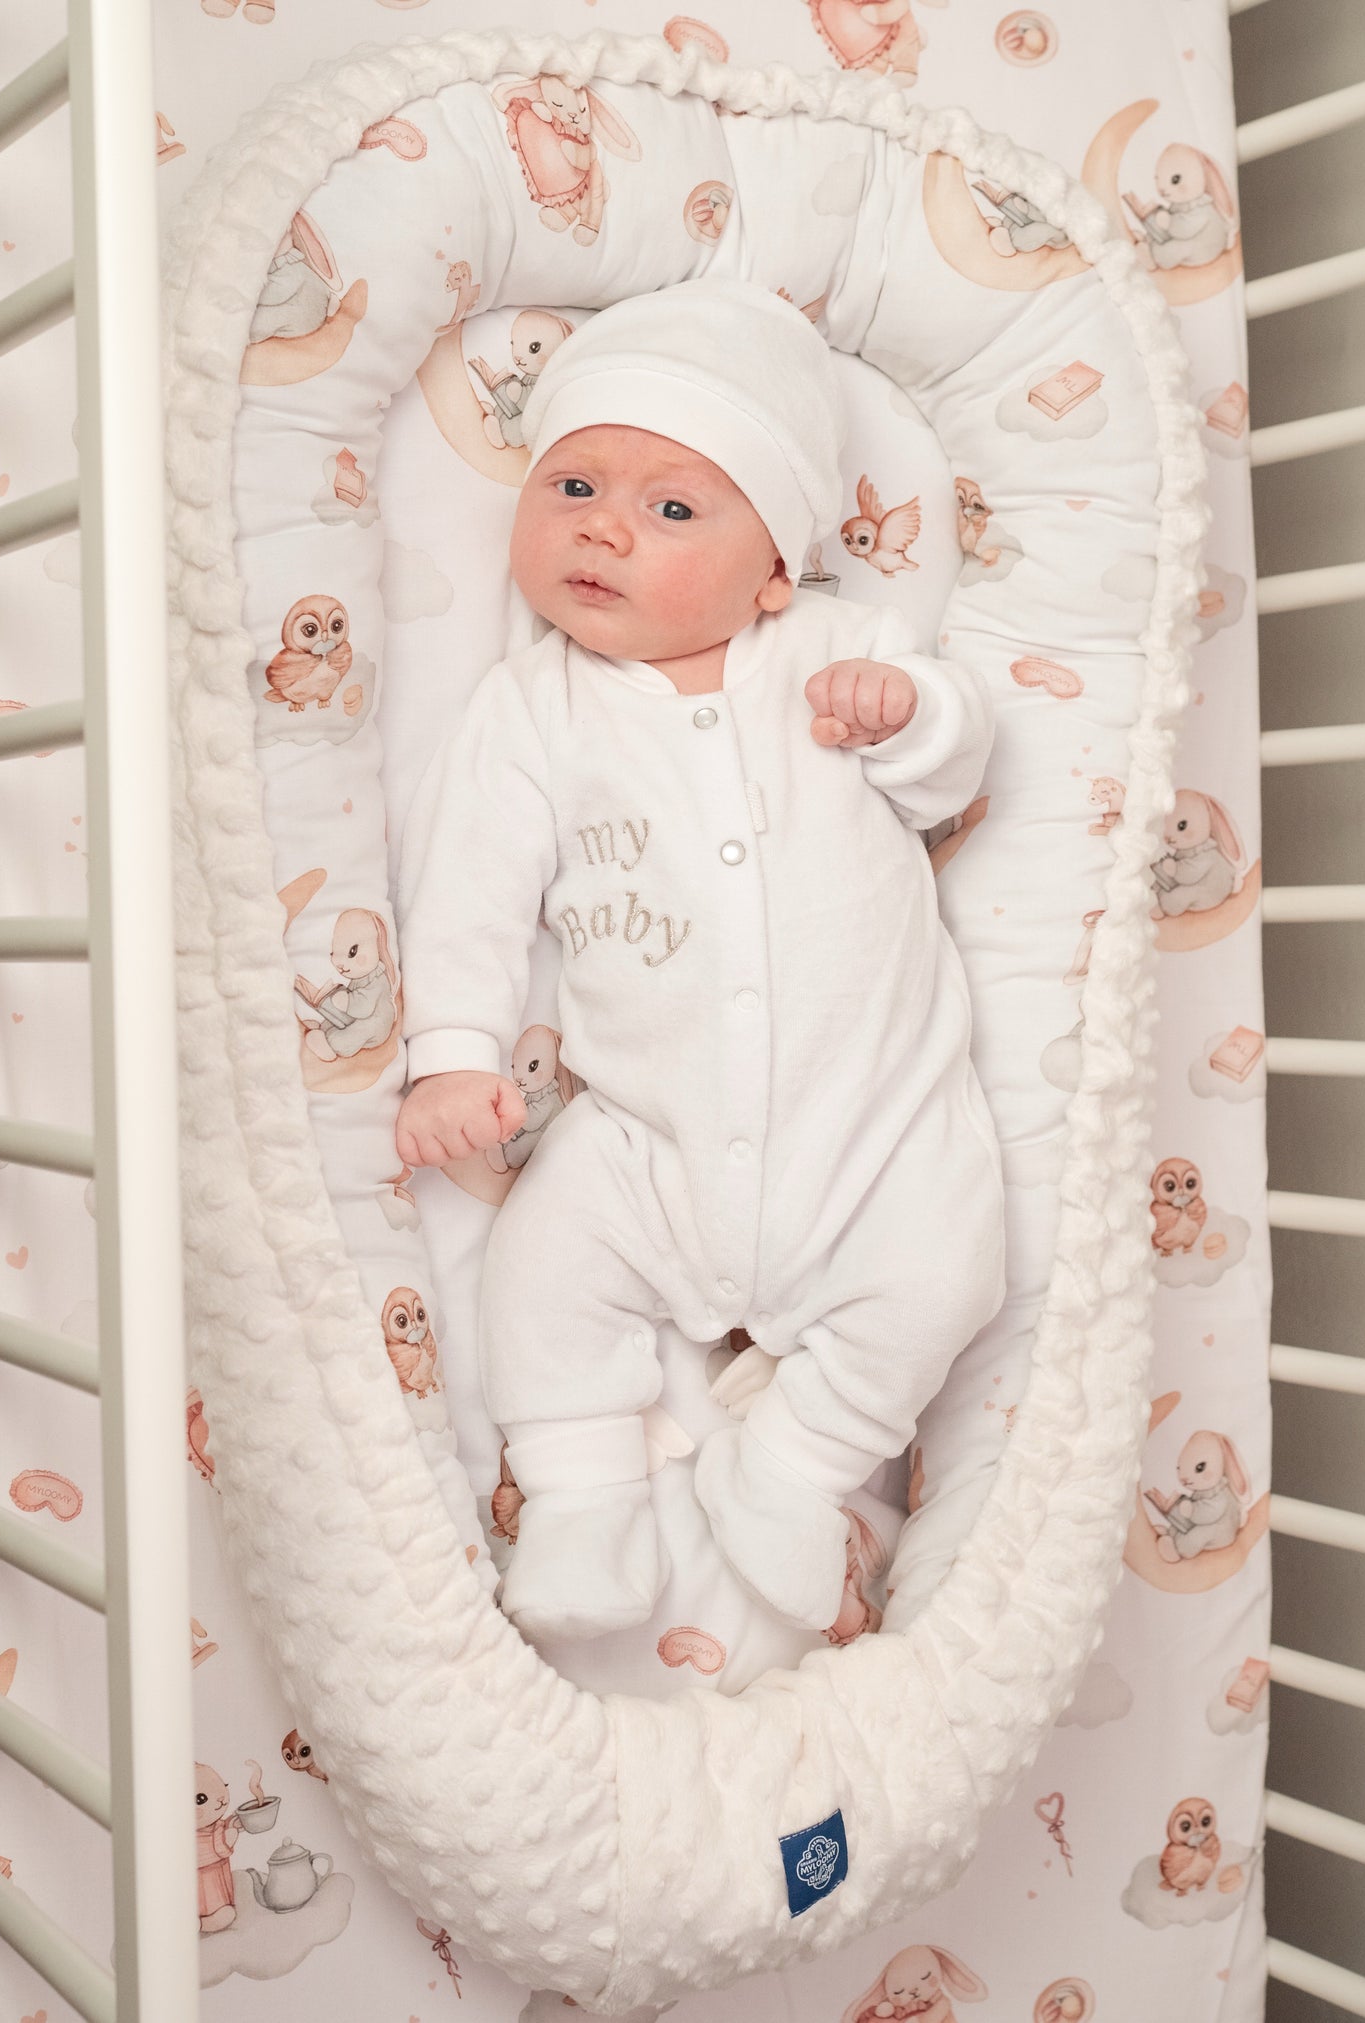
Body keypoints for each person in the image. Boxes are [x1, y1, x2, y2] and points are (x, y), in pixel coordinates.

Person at [394, 278, 1005, 1642]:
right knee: (540, 1261)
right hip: (647, 1140)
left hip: (872, 1136)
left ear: (774, 569)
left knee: (950, 1271)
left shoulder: (834, 652)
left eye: (673, 508)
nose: (605, 526)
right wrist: (451, 1060)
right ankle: (580, 1497)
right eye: (572, 487)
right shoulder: (530, 708)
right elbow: (468, 898)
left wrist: (908, 714)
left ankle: (792, 1469)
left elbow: (955, 761)